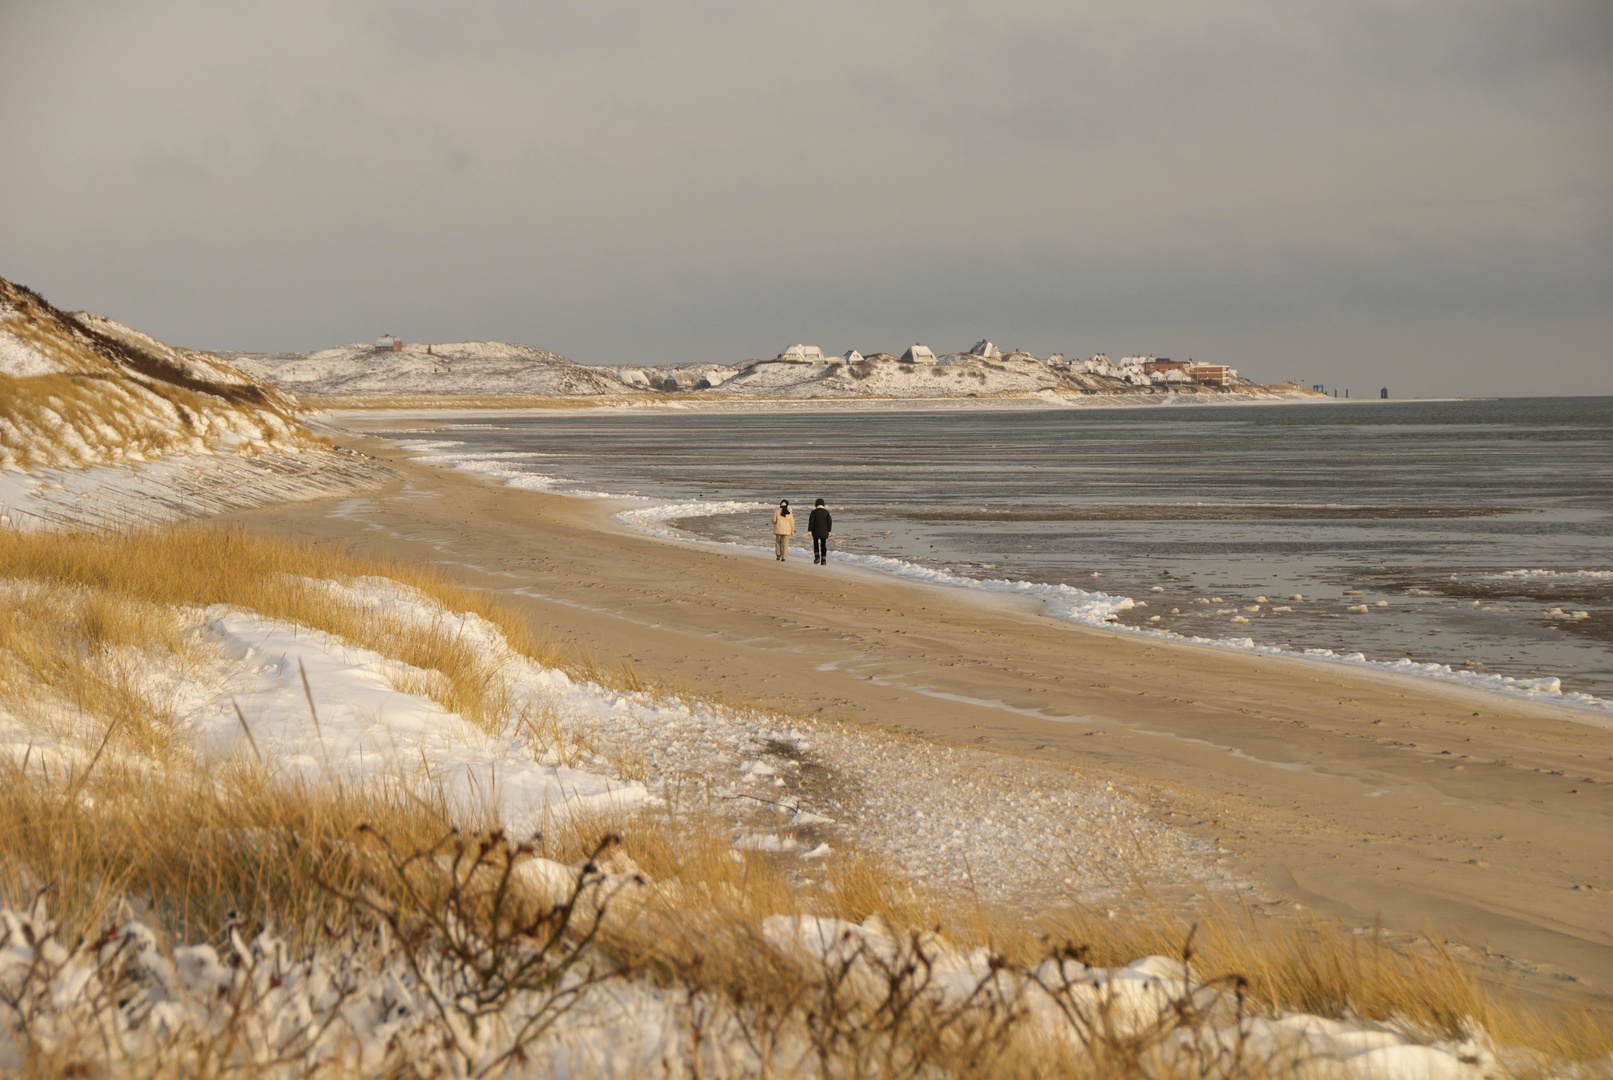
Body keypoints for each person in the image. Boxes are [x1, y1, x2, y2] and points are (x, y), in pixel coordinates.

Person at [808, 498, 832, 564]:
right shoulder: (826, 512)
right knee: (823, 545)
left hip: (815, 531)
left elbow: (811, 521)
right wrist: (829, 530)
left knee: (816, 544)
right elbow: (829, 522)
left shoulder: (814, 512)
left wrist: (810, 530)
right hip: (824, 531)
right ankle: (823, 559)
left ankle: (817, 557)